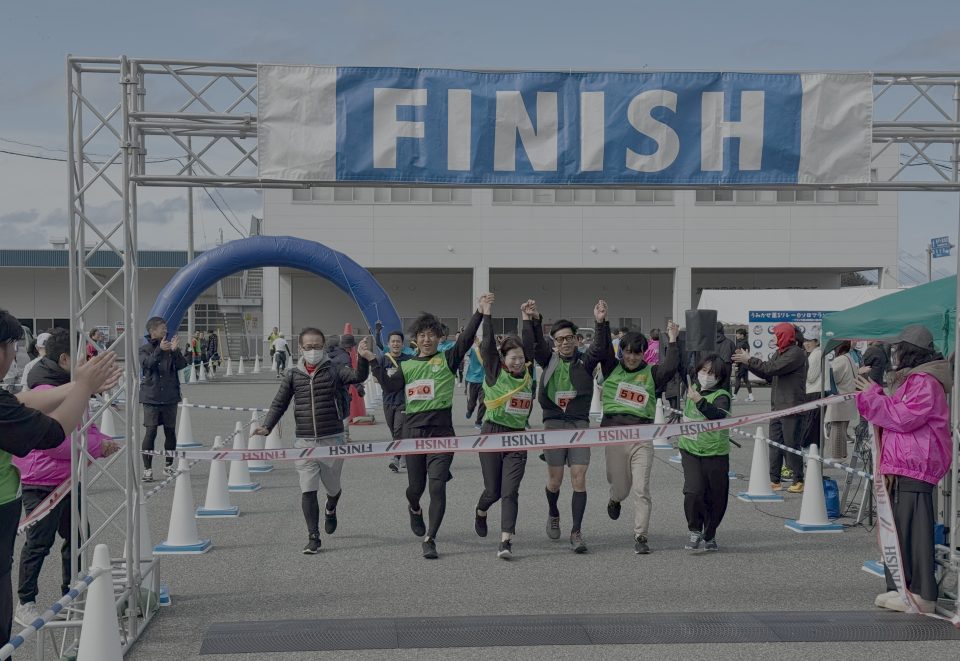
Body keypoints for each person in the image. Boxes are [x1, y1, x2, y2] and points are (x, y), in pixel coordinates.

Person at [0, 309, 119, 648]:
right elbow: (53, 434)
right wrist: (82, 387)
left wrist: (79, 387)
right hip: (36, 485)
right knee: (38, 545)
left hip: (57, 483)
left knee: (74, 537)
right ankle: (28, 600)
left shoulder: (16, 392)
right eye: (12, 346)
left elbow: (23, 401)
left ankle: (72, 593)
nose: (14, 356)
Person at [359, 297, 487, 559]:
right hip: (413, 434)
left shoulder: (448, 359)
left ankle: (431, 537)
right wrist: (372, 360)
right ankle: (414, 507)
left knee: (437, 486)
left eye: (432, 335)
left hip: (441, 434)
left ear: (440, 338)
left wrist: (480, 313)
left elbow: (466, 340)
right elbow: (390, 386)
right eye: (422, 335)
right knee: (415, 488)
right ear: (415, 339)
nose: (427, 339)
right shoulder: (406, 365)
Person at [855, 324, 951, 614]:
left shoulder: (925, 381)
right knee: (899, 530)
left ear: (908, 351)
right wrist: (875, 394)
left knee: (914, 531)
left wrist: (873, 395)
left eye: (897, 348)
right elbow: (896, 411)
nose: (893, 353)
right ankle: (903, 588)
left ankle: (921, 593)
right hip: (904, 464)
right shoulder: (915, 380)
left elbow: (901, 417)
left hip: (916, 465)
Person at [254, 329, 371, 554]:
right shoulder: (292, 375)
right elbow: (280, 403)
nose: (313, 350)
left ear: (324, 346)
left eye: (317, 346)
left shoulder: (336, 370)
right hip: (304, 441)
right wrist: (267, 426)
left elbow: (358, 377)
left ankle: (331, 507)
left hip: (332, 439)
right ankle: (313, 537)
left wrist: (364, 359)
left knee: (333, 488)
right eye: (308, 347)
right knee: (308, 489)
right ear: (300, 348)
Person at [592, 302, 679, 555]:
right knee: (621, 486)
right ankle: (615, 499)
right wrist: (601, 322)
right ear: (622, 353)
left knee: (641, 489)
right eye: (627, 352)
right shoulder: (611, 367)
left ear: (643, 354)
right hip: (614, 435)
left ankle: (641, 536)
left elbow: (671, 366)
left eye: (636, 353)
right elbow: (602, 347)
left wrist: (673, 339)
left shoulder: (652, 374)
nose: (631, 357)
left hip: (642, 438)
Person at [528, 308, 604, 553]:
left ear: (576, 339)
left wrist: (600, 322)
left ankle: (576, 531)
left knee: (579, 478)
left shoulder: (586, 360)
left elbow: (600, 348)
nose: (565, 343)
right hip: (554, 424)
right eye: (559, 339)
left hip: (579, 423)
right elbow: (535, 343)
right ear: (554, 342)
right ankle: (553, 512)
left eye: (569, 338)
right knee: (555, 480)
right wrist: (534, 319)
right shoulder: (548, 360)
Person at [473, 298, 539, 559]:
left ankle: (505, 541)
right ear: (504, 359)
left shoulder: (527, 374)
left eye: (521, 358)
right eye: (513, 358)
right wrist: (487, 315)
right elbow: (488, 346)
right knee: (494, 491)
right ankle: (480, 511)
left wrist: (526, 318)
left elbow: (529, 345)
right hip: (491, 433)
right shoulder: (494, 372)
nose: (518, 362)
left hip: (517, 438)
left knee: (510, 491)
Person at [733, 322, 807, 493]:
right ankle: (774, 480)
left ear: (785, 336)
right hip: (777, 406)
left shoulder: (796, 354)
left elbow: (772, 368)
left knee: (791, 444)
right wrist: (747, 363)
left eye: (776, 334)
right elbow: (767, 373)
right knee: (775, 444)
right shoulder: (779, 353)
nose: (774, 337)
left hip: (791, 406)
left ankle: (798, 479)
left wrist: (749, 359)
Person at [679, 353, 732, 552]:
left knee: (715, 496)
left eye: (712, 373)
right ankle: (694, 530)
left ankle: (710, 534)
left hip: (715, 453)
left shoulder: (722, 396)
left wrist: (700, 400)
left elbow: (717, 415)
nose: (706, 376)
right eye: (704, 371)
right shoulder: (692, 389)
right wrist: (674, 340)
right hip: (690, 450)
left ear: (719, 377)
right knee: (693, 491)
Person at [139, 317, 189, 482]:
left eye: (166, 328)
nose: (165, 331)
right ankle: (147, 469)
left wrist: (175, 351)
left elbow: (182, 365)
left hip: (169, 396)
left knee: (170, 431)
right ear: (153, 331)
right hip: (151, 397)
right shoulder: (144, 349)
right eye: (162, 328)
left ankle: (168, 465)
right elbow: (148, 364)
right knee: (151, 431)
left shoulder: (170, 349)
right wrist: (160, 350)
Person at [374, 322, 410, 472]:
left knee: (398, 429)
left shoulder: (409, 359)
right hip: (388, 400)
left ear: (402, 344)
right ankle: (404, 454)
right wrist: (387, 378)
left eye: (398, 341)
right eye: (393, 341)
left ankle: (395, 457)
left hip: (403, 401)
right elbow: (375, 378)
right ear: (388, 344)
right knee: (393, 429)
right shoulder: (383, 359)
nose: (396, 344)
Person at [825, 341, 858, 460]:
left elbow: (833, 378)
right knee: (842, 429)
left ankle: (837, 456)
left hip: (840, 399)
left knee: (837, 429)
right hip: (848, 398)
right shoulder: (849, 357)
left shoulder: (840, 360)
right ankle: (842, 454)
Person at [800, 336, 824, 449]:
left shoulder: (815, 355)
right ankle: (814, 455)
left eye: (809, 341)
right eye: (805, 341)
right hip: (818, 392)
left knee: (810, 427)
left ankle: (810, 456)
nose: (806, 344)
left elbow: (810, 377)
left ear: (816, 342)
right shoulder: (819, 353)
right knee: (815, 427)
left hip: (814, 393)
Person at [464, 336, 485, 429]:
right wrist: (467, 335)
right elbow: (465, 347)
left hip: (484, 381)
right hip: (472, 380)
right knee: (472, 403)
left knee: (484, 402)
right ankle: (470, 410)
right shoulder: (472, 351)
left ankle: (478, 421)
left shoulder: (488, 354)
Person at [733, 328, 754, 402]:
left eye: (738, 334)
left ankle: (734, 396)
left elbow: (739, 355)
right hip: (746, 364)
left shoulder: (740, 344)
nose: (736, 335)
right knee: (746, 380)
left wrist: (736, 365)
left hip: (741, 364)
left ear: (742, 335)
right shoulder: (746, 342)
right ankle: (751, 396)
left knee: (738, 379)